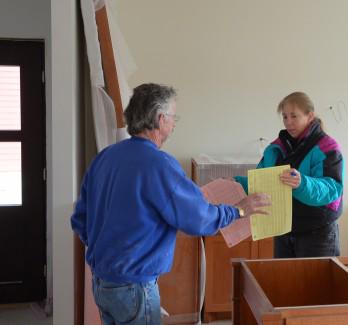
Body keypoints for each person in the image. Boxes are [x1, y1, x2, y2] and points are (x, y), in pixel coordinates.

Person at [70, 83, 270, 325]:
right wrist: (239, 209)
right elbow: (199, 220)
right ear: (161, 118)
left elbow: (80, 220)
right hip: (135, 284)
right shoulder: (159, 165)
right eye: (174, 117)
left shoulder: (105, 158)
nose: (174, 124)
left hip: (103, 282)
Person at [235, 91, 344, 258]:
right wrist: (235, 183)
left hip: (318, 232)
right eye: (285, 117)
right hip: (283, 230)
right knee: (284, 283)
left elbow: (332, 189)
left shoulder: (327, 147)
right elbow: (261, 181)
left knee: (315, 284)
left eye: (294, 116)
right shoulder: (275, 148)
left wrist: (302, 184)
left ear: (310, 116)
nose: (288, 122)